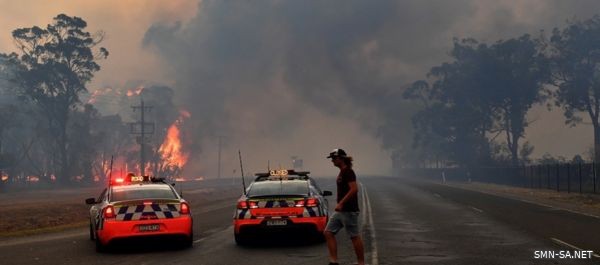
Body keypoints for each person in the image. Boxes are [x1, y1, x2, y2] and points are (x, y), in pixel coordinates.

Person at [324, 148, 364, 265]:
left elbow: (354, 189)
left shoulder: (348, 172)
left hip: (349, 210)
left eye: (333, 158)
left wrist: (341, 203)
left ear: (340, 158)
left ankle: (361, 263)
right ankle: (333, 261)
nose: (332, 161)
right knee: (328, 232)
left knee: (354, 236)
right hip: (341, 211)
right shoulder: (342, 171)